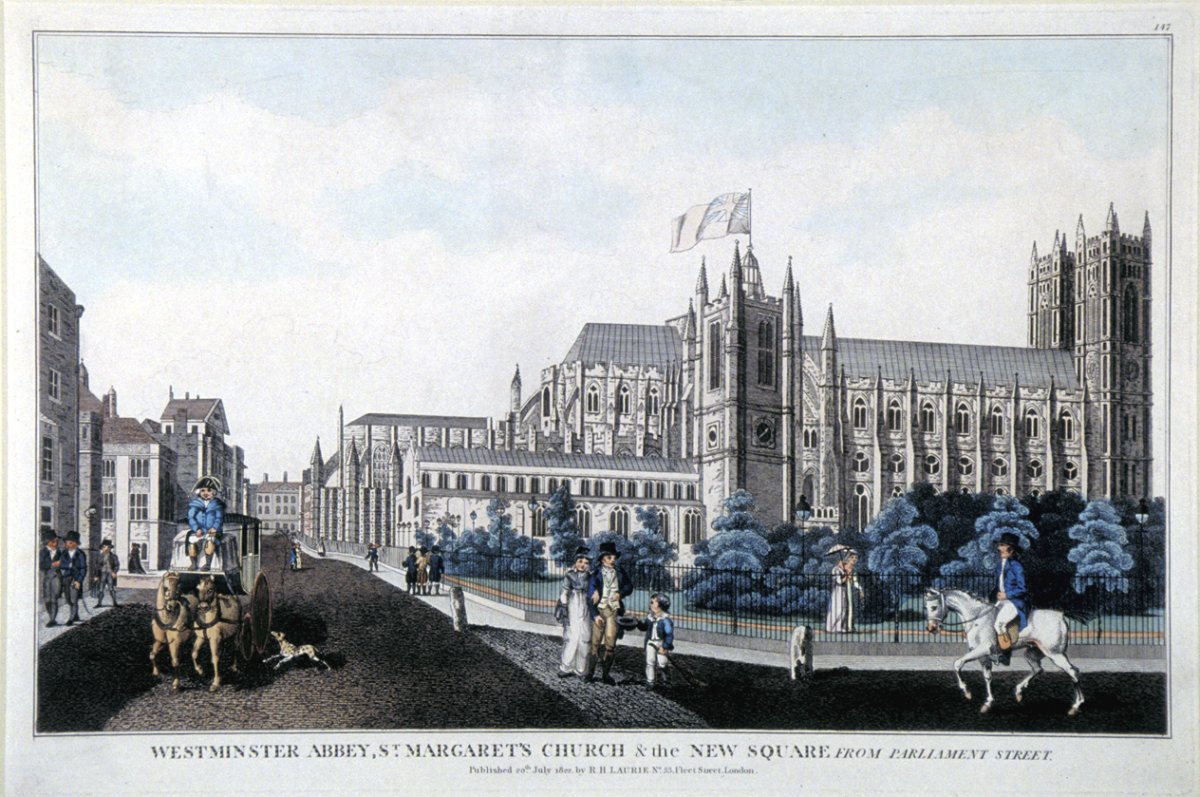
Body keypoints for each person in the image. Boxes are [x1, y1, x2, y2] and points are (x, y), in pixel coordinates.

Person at [586, 541, 633, 685]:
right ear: (602, 559)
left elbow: (629, 586)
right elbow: (589, 596)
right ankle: (590, 674)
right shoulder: (595, 574)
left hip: (613, 610)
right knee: (594, 644)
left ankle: (606, 675)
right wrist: (595, 615)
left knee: (610, 645)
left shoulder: (620, 572)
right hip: (599, 610)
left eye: (614, 558)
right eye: (609, 558)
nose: (613, 560)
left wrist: (620, 593)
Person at [990, 532, 1030, 666]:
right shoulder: (1000, 565)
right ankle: (994, 648)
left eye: (1003, 546)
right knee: (989, 619)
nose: (1000, 548)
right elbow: (998, 585)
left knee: (999, 624)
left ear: (1011, 550)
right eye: (1000, 545)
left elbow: (1022, 588)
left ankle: (1005, 655)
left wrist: (1007, 595)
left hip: (1014, 602)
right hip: (1002, 601)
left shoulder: (1016, 566)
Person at [554, 546, 593, 678]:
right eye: (580, 561)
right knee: (572, 636)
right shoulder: (570, 575)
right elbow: (564, 593)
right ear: (576, 562)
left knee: (585, 636)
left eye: (586, 563)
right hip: (573, 603)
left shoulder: (590, 576)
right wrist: (564, 606)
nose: (583, 565)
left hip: (586, 604)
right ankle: (566, 666)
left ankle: (581, 669)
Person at [636, 592, 675, 690]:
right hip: (650, 642)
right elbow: (645, 627)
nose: (651, 604)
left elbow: (669, 634)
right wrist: (637, 622)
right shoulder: (650, 617)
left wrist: (665, 646)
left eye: (653, 602)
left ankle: (667, 680)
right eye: (651, 602)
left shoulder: (665, 619)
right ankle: (650, 681)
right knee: (650, 662)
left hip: (661, 643)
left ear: (661, 605)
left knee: (662, 663)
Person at [187, 475, 225, 571]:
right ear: (199, 492)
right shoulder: (195, 504)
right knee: (192, 543)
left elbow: (219, 518)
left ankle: (208, 564)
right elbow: (191, 517)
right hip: (199, 531)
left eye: (208, 490)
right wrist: (197, 529)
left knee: (210, 541)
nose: (205, 493)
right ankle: (194, 564)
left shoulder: (217, 504)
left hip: (213, 531)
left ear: (214, 492)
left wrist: (214, 528)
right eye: (203, 490)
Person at [825, 547, 865, 633]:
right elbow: (839, 581)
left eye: (855, 558)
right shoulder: (836, 569)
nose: (854, 560)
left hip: (846, 592)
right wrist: (846, 575)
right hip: (838, 592)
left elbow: (855, 582)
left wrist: (860, 590)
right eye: (852, 557)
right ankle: (835, 628)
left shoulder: (849, 570)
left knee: (845, 609)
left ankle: (845, 627)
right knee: (838, 609)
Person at [59, 531, 88, 625]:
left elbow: (83, 569)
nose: (68, 544)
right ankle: (76, 615)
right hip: (66, 578)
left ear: (76, 543)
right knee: (68, 599)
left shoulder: (80, 554)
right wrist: (68, 565)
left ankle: (71, 618)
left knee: (73, 599)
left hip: (75, 579)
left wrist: (79, 581)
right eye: (67, 542)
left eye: (70, 542)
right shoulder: (64, 553)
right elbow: (61, 564)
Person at [40, 530, 63, 627]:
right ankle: (51, 616)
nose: (56, 543)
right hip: (47, 577)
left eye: (57, 541)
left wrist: (61, 564)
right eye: (53, 541)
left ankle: (53, 619)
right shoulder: (43, 552)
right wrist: (51, 564)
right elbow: (40, 565)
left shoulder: (60, 552)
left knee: (54, 599)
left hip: (56, 577)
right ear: (48, 542)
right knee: (47, 599)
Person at [93, 539, 120, 608]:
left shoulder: (114, 556)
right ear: (102, 548)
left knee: (111, 588)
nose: (106, 548)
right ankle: (99, 603)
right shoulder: (99, 556)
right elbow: (96, 567)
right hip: (102, 574)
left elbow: (117, 565)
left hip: (110, 574)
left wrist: (114, 572)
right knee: (101, 589)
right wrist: (96, 576)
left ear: (110, 548)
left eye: (108, 547)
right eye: (104, 547)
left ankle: (115, 603)